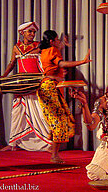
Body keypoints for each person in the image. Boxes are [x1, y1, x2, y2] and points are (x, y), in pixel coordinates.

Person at [37, 30, 91, 163]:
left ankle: (52, 149)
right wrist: (82, 62)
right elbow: (61, 64)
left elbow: (54, 59)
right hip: (49, 88)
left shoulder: (45, 51)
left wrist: (62, 44)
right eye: (57, 40)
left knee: (62, 118)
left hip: (48, 87)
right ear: (51, 42)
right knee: (59, 120)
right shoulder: (51, 51)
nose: (59, 43)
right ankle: (54, 155)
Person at [0, 22, 52, 152]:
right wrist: (4, 77)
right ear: (22, 33)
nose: (32, 34)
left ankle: (49, 144)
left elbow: (50, 58)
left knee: (40, 113)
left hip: (36, 85)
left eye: (34, 32)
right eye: (30, 32)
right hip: (22, 85)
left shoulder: (39, 46)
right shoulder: (17, 47)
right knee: (17, 113)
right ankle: (13, 143)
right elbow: (12, 63)